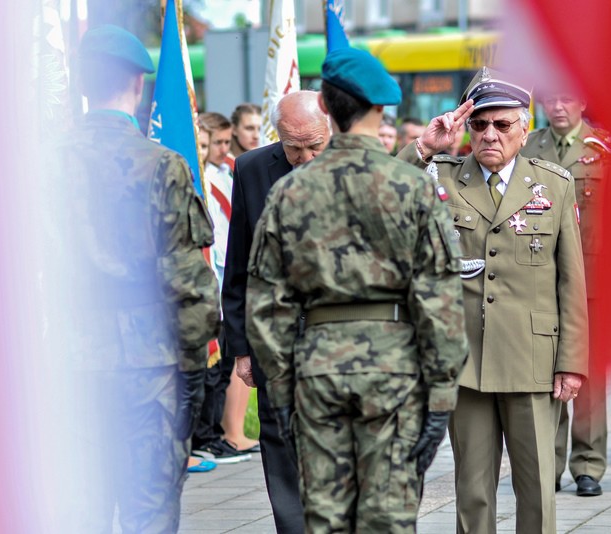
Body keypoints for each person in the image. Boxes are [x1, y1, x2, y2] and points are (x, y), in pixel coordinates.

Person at [245, 47, 469, 532]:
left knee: (323, 517)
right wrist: (442, 396)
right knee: (388, 518)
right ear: (382, 110)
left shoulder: (289, 192)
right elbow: (441, 301)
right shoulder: (412, 187)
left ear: (323, 106)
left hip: (316, 371)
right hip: (394, 372)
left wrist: (281, 394)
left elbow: (266, 304)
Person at [400, 68, 589, 533]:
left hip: (532, 357)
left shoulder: (554, 184)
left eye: (502, 125)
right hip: (466, 360)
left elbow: (572, 279)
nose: (489, 134)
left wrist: (572, 361)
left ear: (524, 129)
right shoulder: (440, 176)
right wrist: (424, 145)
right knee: (473, 489)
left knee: (538, 485)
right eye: (480, 124)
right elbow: (380, 189)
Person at [55, 24, 220, 530]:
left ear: (83, 85)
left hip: (63, 363)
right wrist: (194, 374)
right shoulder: (161, 165)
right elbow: (190, 285)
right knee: (147, 508)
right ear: (136, 86)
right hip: (147, 366)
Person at [223, 90, 331, 533]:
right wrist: (241, 347)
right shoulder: (251, 169)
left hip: (341, 342)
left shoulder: (359, 169)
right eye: (293, 147)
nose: (303, 157)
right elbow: (238, 262)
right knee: (281, 449)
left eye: (314, 146)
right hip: (275, 341)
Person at [520, 92, 610, 496]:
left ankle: (588, 464)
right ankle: (549, 463)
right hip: (539, 273)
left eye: (567, 97)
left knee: (587, 377)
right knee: (545, 373)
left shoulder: (603, 148)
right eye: (550, 98)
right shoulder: (527, 145)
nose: (557, 106)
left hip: (592, 276)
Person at [189, 112, 255, 464]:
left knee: (222, 360)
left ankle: (217, 432)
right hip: (208, 273)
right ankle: (206, 435)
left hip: (224, 270)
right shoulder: (201, 178)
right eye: (212, 143)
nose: (220, 149)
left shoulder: (226, 172)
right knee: (209, 366)